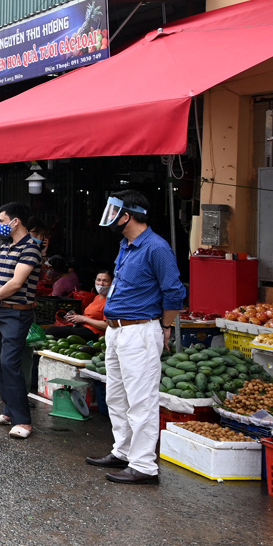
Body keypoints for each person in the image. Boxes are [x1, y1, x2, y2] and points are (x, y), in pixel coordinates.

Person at [85, 193, 187, 484]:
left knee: (141, 399)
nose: (111, 218)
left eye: (114, 212)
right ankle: (123, 450)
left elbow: (174, 292)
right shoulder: (126, 246)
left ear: (127, 216)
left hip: (140, 330)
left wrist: (165, 326)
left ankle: (144, 466)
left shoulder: (156, 248)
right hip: (117, 330)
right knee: (116, 395)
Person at [0, 202, 44, 439]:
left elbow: (17, 283)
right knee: (1, 362)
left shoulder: (31, 249)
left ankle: (23, 421)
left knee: (10, 363)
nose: (0, 226)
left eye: (3, 221)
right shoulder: (5, 247)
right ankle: (8, 411)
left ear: (16, 222)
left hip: (18, 313)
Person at [46, 270, 111, 343]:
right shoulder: (97, 297)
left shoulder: (111, 301)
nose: (101, 284)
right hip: (82, 327)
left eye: (105, 281)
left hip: (94, 333)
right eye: (98, 280)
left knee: (51, 331)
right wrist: (75, 318)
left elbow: (108, 325)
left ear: (112, 283)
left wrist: (83, 319)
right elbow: (89, 317)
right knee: (50, 331)